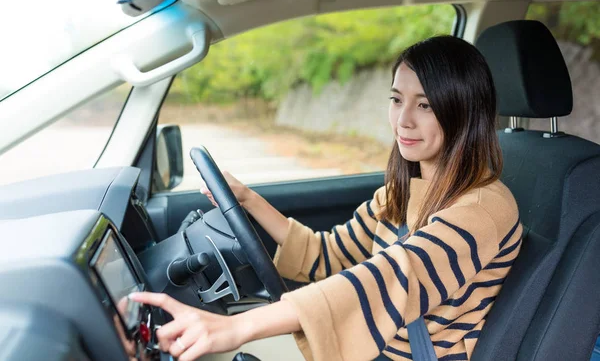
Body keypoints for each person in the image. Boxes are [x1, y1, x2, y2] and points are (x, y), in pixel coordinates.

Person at [130, 35, 522, 361]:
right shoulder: (401, 190)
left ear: (464, 112)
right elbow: (328, 253)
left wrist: (238, 326)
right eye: (396, 99)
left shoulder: (485, 208)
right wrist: (248, 200)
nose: (403, 120)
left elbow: (394, 278)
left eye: (425, 105)